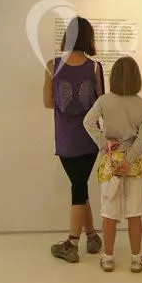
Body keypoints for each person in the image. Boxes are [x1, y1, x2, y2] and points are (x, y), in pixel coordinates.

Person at [43, 16, 104, 263]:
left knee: (78, 186)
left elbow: (48, 102)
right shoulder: (95, 67)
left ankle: (72, 243)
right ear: (89, 38)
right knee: (80, 185)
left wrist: (65, 106)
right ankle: (92, 236)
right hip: (91, 138)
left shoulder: (52, 65)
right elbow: (102, 103)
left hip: (66, 138)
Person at [84, 56, 142, 273]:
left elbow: (88, 122)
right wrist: (129, 159)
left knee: (109, 212)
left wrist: (104, 144)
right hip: (135, 163)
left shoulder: (104, 101)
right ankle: (136, 259)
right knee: (135, 212)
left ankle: (108, 258)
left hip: (111, 162)